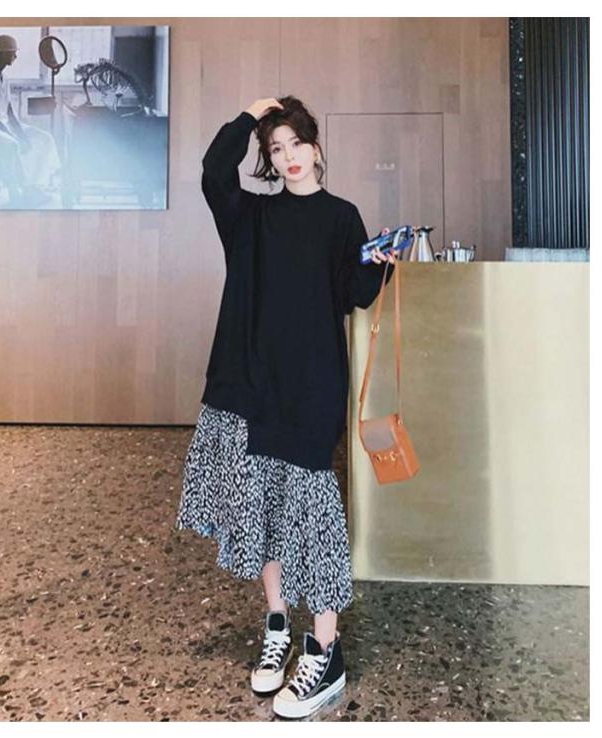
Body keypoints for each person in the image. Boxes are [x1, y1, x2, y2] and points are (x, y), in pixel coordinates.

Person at [174, 96, 395, 719]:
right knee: (264, 512)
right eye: (277, 149)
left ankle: (325, 650)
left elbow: (352, 294)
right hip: (251, 385)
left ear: (316, 148)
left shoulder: (342, 217)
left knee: (314, 518)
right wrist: (250, 116)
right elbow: (213, 171)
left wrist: (378, 265)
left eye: (297, 143)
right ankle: (277, 626)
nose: (289, 156)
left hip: (310, 387)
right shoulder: (250, 215)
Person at [0, 34, 61, 208]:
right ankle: (18, 190)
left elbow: (9, 112)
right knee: (11, 144)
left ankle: (37, 185)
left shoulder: (5, 79)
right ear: (2, 54)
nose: (15, 56)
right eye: (12, 52)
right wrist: (15, 136)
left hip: (7, 125)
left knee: (43, 138)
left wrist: (22, 134)